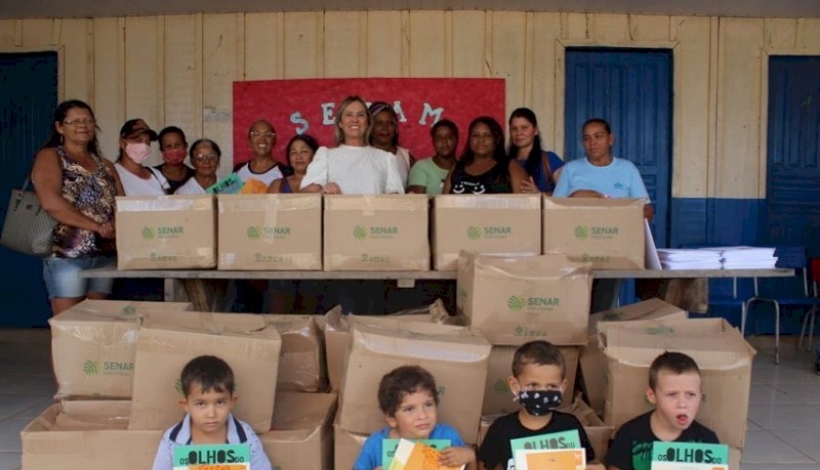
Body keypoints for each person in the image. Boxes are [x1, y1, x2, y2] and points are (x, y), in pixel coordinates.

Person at [31, 100, 124, 315]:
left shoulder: (105, 164)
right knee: (68, 325)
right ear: (59, 127)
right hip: (67, 254)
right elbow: (51, 202)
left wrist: (115, 226)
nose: (82, 125)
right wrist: (97, 226)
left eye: (88, 121)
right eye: (74, 121)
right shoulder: (51, 156)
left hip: (105, 254)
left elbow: (121, 203)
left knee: (98, 322)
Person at [478, 340, 603, 470]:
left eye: (552, 386)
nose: (542, 393)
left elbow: (591, 463)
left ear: (562, 387)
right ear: (515, 385)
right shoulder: (501, 429)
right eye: (533, 385)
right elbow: (484, 466)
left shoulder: (570, 426)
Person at [151, 355, 272, 470]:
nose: (211, 414)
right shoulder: (172, 439)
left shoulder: (245, 436)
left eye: (220, 402)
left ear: (232, 402)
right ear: (186, 405)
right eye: (201, 404)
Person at [606, 352, 719, 470]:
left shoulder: (707, 441)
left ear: (701, 395)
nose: (682, 404)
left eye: (690, 394)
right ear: (652, 395)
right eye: (672, 394)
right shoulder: (629, 434)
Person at [354, 365, 475, 470]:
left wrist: (470, 457)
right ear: (392, 418)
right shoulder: (376, 444)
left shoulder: (448, 435)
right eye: (409, 409)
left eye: (428, 405)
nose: (423, 415)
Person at [301, 95, 404, 195]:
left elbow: (396, 200)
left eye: (360, 115)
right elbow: (305, 195)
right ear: (340, 123)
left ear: (368, 122)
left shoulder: (386, 159)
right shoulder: (326, 156)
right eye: (349, 115)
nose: (355, 120)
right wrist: (323, 191)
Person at [552, 118, 653, 220]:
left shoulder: (628, 169)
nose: (592, 143)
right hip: (580, 228)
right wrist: (575, 197)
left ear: (611, 139)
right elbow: (553, 210)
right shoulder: (570, 169)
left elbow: (648, 211)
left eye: (598, 136)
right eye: (587, 138)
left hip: (617, 228)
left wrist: (619, 210)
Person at [443, 116, 528, 195]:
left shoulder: (511, 167)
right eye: (476, 135)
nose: (481, 140)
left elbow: (526, 203)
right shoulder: (457, 168)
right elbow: (442, 202)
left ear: (497, 139)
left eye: (487, 135)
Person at [507, 108, 564, 195]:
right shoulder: (505, 163)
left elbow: (567, 194)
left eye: (524, 127)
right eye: (514, 129)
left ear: (536, 130)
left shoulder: (549, 160)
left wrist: (539, 194)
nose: (519, 133)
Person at [115, 119, 170, 196]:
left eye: (148, 142)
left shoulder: (156, 175)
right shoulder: (113, 174)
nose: (144, 146)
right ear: (122, 142)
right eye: (138, 140)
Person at [408, 119, 458, 195]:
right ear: (433, 142)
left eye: (449, 137)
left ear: (456, 140)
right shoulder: (422, 167)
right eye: (439, 138)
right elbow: (416, 201)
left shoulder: (464, 167)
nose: (444, 142)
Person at [369, 101, 413, 187]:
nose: (385, 128)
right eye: (379, 123)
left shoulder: (406, 156)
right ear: (369, 127)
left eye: (390, 123)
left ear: (396, 127)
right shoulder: (363, 155)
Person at [234, 119, 284, 193]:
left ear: (274, 141)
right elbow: (223, 196)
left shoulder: (285, 171)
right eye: (256, 134)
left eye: (268, 135)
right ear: (249, 141)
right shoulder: (238, 169)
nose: (262, 139)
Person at [156, 126, 195, 192]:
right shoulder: (153, 176)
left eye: (178, 145)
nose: (174, 149)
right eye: (168, 146)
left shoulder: (196, 177)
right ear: (161, 150)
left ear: (186, 146)